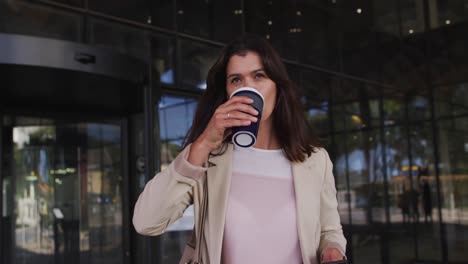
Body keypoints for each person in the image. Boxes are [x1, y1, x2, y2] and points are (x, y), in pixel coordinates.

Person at [133, 34, 347, 264]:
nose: (248, 87)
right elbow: (146, 222)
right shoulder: (209, 157)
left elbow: (329, 230)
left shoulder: (315, 160)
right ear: (226, 92)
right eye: (236, 80)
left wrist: (332, 249)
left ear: (277, 86)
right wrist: (203, 143)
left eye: (259, 76)